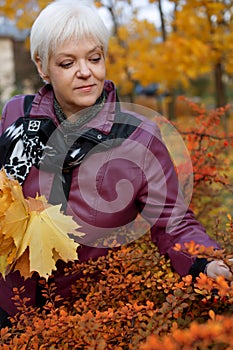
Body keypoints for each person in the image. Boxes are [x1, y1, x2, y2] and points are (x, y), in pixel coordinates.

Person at [0, 0, 231, 328]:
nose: (85, 71)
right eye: (67, 62)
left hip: (85, 319)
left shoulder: (138, 136)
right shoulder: (17, 116)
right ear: (42, 66)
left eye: (94, 58)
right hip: (8, 303)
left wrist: (207, 262)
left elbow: (172, 221)